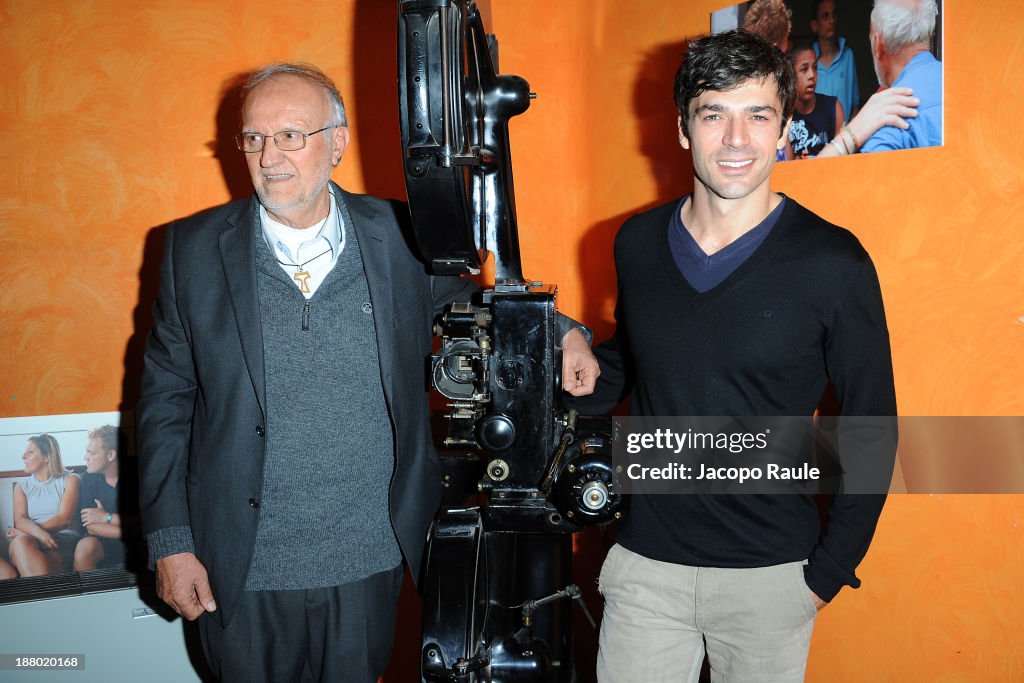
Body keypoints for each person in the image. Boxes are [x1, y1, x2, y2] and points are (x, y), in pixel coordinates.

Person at [137, 62, 598, 682]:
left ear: (337, 142)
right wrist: (171, 544)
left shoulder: (400, 237)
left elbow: (476, 301)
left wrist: (566, 332)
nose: (269, 155)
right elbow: (164, 406)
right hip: (237, 565)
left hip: (369, 557)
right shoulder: (188, 251)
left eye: (291, 135)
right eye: (254, 137)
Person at [574, 30, 896, 682]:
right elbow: (630, 365)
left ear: (783, 130)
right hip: (647, 567)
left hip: (769, 578)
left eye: (758, 115)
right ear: (684, 128)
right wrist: (566, 342)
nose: (737, 138)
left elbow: (871, 425)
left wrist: (825, 574)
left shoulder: (834, 262)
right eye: (714, 113)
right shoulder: (636, 242)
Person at [860, 0, 942, 152]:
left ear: (878, 44)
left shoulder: (887, 120)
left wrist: (849, 136)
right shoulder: (966, 84)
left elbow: (869, 174)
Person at [8, 435, 81, 577]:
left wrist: (28, 533)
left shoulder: (70, 480)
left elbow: (64, 518)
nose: (23, 456)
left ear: (46, 456)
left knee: (22, 546)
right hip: (30, 540)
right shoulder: (22, 486)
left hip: (62, 539)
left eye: (30, 452)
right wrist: (38, 535)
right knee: (21, 544)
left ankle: (39, 595)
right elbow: (20, 520)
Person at [74, 425, 125, 571]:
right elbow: (90, 526)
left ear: (111, 455)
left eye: (91, 453)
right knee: (85, 547)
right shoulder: (88, 478)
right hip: (102, 541)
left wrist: (105, 517)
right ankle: (88, 593)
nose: (85, 457)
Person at [789, 41, 845, 158]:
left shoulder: (833, 108)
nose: (812, 75)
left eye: (814, 68)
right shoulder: (783, 113)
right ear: (791, 75)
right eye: (804, 69)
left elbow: (842, 161)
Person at [811, 0, 860, 120]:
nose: (832, 20)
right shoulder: (810, 60)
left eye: (834, 14)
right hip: (816, 136)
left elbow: (855, 105)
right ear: (815, 25)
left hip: (843, 135)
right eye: (825, 16)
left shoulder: (848, 56)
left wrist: (848, 134)